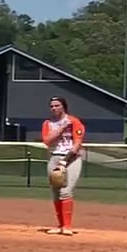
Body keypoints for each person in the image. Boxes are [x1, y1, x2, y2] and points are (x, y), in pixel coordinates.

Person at [42, 96, 84, 236]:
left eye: (57, 105)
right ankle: (60, 226)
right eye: (52, 106)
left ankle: (67, 226)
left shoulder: (74, 121)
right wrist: (61, 128)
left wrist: (65, 161)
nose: (54, 108)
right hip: (54, 157)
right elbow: (47, 141)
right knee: (56, 192)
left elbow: (77, 144)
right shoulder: (48, 123)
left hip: (72, 158)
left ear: (63, 106)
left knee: (66, 191)